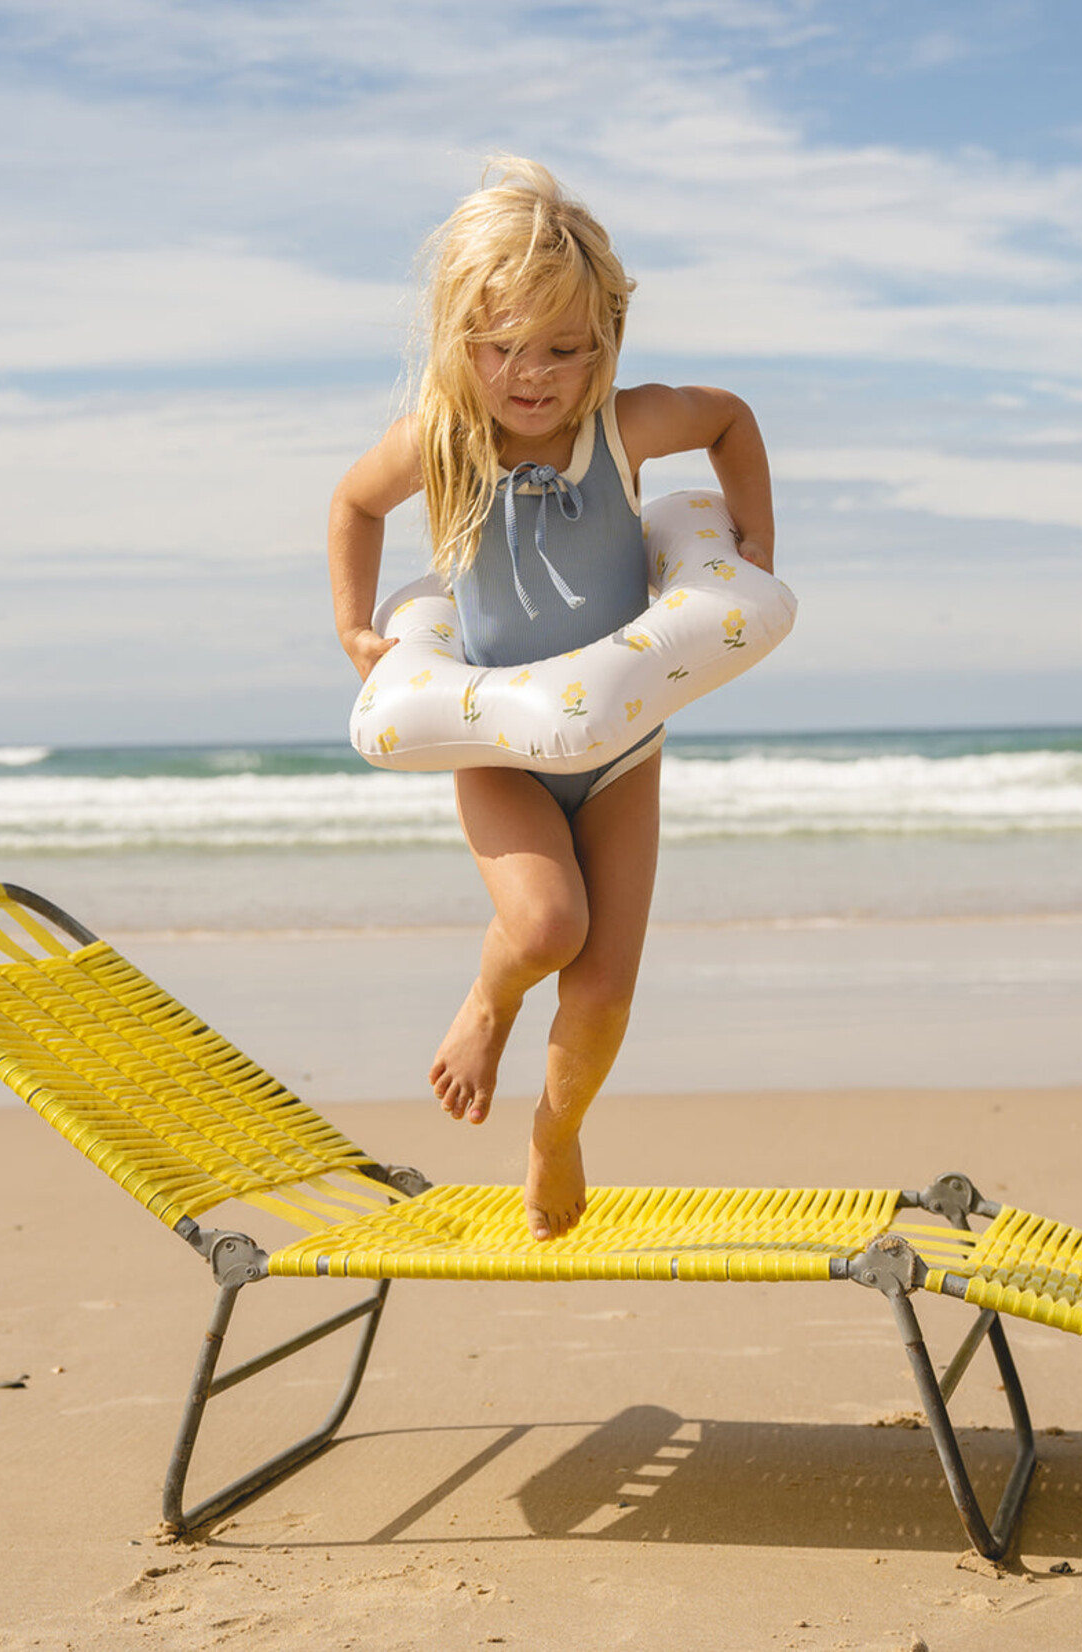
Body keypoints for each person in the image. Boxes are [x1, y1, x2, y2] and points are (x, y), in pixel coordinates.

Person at [328, 157, 774, 1242]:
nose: (530, 376)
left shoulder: (618, 428)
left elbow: (729, 419)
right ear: (455, 340)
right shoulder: (441, 441)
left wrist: (754, 537)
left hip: (618, 751)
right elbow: (350, 501)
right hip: (498, 747)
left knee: (606, 990)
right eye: (499, 347)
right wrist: (352, 625)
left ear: (603, 340)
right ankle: (488, 1002)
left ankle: (555, 1129)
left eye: (562, 350)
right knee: (543, 925)